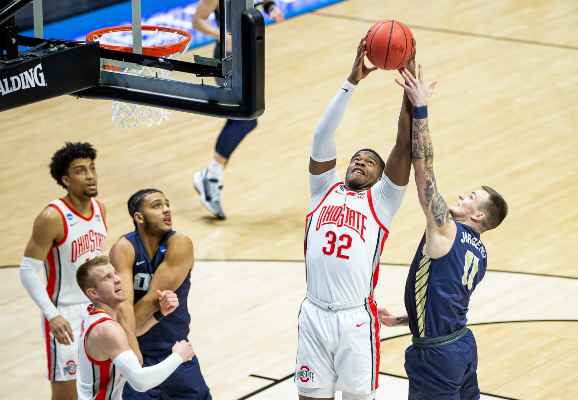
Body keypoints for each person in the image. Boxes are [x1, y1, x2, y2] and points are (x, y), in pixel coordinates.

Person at [379, 65, 508, 399]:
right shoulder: (479, 254)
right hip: (460, 345)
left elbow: (424, 170)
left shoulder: (445, 229)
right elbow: (446, 302)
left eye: (471, 198)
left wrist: (420, 108)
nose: (462, 196)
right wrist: (409, 319)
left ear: (478, 215)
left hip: (436, 355)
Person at [295, 38, 413, 400]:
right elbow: (321, 135)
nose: (360, 161)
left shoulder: (382, 202)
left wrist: (409, 90)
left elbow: (404, 145)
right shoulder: (323, 190)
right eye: (356, 158)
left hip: (356, 320)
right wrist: (351, 81)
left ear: (380, 177)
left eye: (370, 161)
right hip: (313, 313)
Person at [19, 142, 107, 400]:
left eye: (92, 168)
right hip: (65, 314)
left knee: (100, 386)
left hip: (96, 311)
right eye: (81, 171)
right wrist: (52, 315)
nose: (90, 175)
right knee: (65, 394)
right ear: (66, 180)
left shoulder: (101, 209)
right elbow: (26, 269)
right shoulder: (52, 217)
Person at [109, 189, 212, 400]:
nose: (166, 209)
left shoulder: (180, 244)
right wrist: (132, 350)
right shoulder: (124, 248)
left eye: (167, 204)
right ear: (139, 217)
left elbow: (151, 302)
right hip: (138, 355)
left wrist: (128, 329)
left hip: (175, 350)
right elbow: (123, 308)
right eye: (157, 205)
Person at [192, 0, 284, 219]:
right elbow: (197, 21)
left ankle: (210, 175)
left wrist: (272, 9)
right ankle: (211, 177)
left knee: (247, 118)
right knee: (245, 118)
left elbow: (264, 2)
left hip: (248, 57)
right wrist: (222, 36)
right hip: (225, 60)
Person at [76, 255, 195, 400]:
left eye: (115, 273)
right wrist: (178, 356)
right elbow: (141, 382)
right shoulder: (106, 329)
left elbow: (130, 333)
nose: (118, 279)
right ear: (93, 293)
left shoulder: (95, 313)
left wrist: (160, 314)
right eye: (108, 277)